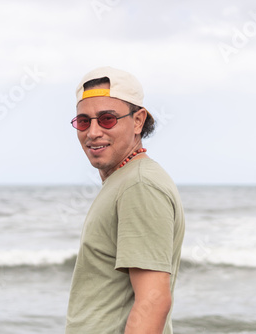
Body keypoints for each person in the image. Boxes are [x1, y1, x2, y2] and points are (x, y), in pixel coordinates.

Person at [65, 66, 185, 334]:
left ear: (139, 120)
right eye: (84, 121)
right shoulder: (124, 180)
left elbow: (153, 300)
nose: (93, 132)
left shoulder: (139, 185)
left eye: (107, 119)